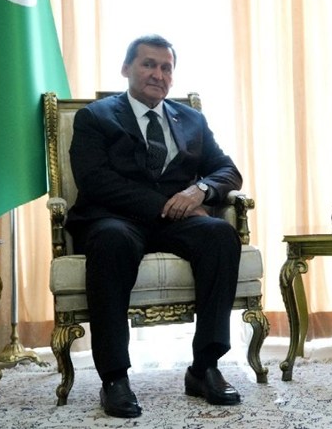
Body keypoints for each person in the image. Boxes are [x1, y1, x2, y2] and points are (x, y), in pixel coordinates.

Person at [66, 34, 243, 418]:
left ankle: (205, 368)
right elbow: (95, 181)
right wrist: (167, 205)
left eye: (166, 68)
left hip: (175, 222)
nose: (158, 74)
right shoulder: (95, 117)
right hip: (114, 218)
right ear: (126, 68)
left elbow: (227, 170)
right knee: (112, 240)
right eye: (148, 64)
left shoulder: (191, 119)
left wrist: (199, 191)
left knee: (219, 235)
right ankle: (114, 378)